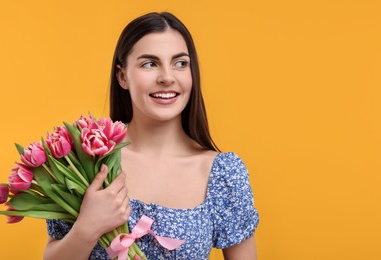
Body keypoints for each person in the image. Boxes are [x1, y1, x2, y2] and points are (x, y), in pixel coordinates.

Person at [43, 12, 259, 260]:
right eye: (149, 63)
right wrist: (86, 228)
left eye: (180, 63)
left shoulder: (223, 173)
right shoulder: (87, 162)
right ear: (122, 76)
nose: (167, 77)